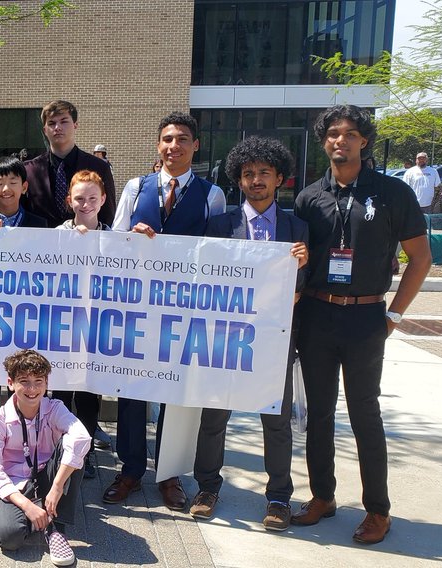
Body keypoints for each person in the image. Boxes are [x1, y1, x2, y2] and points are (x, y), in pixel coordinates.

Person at [292, 105, 430, 544]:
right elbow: (296, 262)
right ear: (324, 140)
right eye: (333, 133)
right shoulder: (310, 196)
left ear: (364, 141)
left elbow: (421, 258)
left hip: (367, 316)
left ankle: (378, 510)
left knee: (364, 413)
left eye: (350, 134)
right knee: (319, 412)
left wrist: (393, 314)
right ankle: (322, 496)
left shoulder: (392, 193)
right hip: (316, 314)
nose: (341, 141)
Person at [107, 112, 227, 512]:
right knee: (132, 391)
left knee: (177, 393)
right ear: (157, 145)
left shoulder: (212, 195)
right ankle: (130, 469)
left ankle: (170, 474)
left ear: (195, 146)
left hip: (185, 310)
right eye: (167, 139)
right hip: (137, 306)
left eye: (182, 139)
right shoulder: (135, 186)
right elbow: (113, 241)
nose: (174, 146)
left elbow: (218, 256)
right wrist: (130, 238)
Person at [190, 136, 309, 532]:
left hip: (274, 338)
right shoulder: (220, 226)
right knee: (214, 414)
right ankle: (207, 488)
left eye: (263, 173)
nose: (255, 180)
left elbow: (309, 283)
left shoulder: (298, 228)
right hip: (227, 335)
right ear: (237, 180)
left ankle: (278, 497)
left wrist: (301, 271)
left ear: (279, 178)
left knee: (275, 420)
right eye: (247, 174)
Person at [0, 349, 90, 567]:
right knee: (9, 537)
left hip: (49, 475)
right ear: (11, 383)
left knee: (75, 445)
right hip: (17, 483)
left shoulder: (54, 408)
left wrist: (58, 486)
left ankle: (56, 527)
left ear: (47, 382)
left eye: (38, 381)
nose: (32, 389)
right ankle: (38, 509)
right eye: (24, 381)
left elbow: (81, 437)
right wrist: (26, 506)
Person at [52, 170, 111, 478]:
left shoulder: (115, 238)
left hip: (97, 330)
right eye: (79, 198)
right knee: (61, 395)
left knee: (88, 396)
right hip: (64, 328)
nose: (85, 204)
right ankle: (61, 450)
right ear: (69, 200)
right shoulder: (56, 235)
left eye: (92, 198)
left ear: (102, 200)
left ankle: (84, 455)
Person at [22, 100, 116, 227]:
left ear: (75, 125)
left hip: (85, 242)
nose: (57, 127)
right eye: (52, 123)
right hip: (40, 244)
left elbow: (108, 215)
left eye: (64, 121)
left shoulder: (99, 167)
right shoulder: (29, 170)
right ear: (45, 130)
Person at [0, 156, 48, 229]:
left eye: (13, 183)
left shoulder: (39, 225)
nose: (6, 189)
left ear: (24, 187)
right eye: (0, 184)